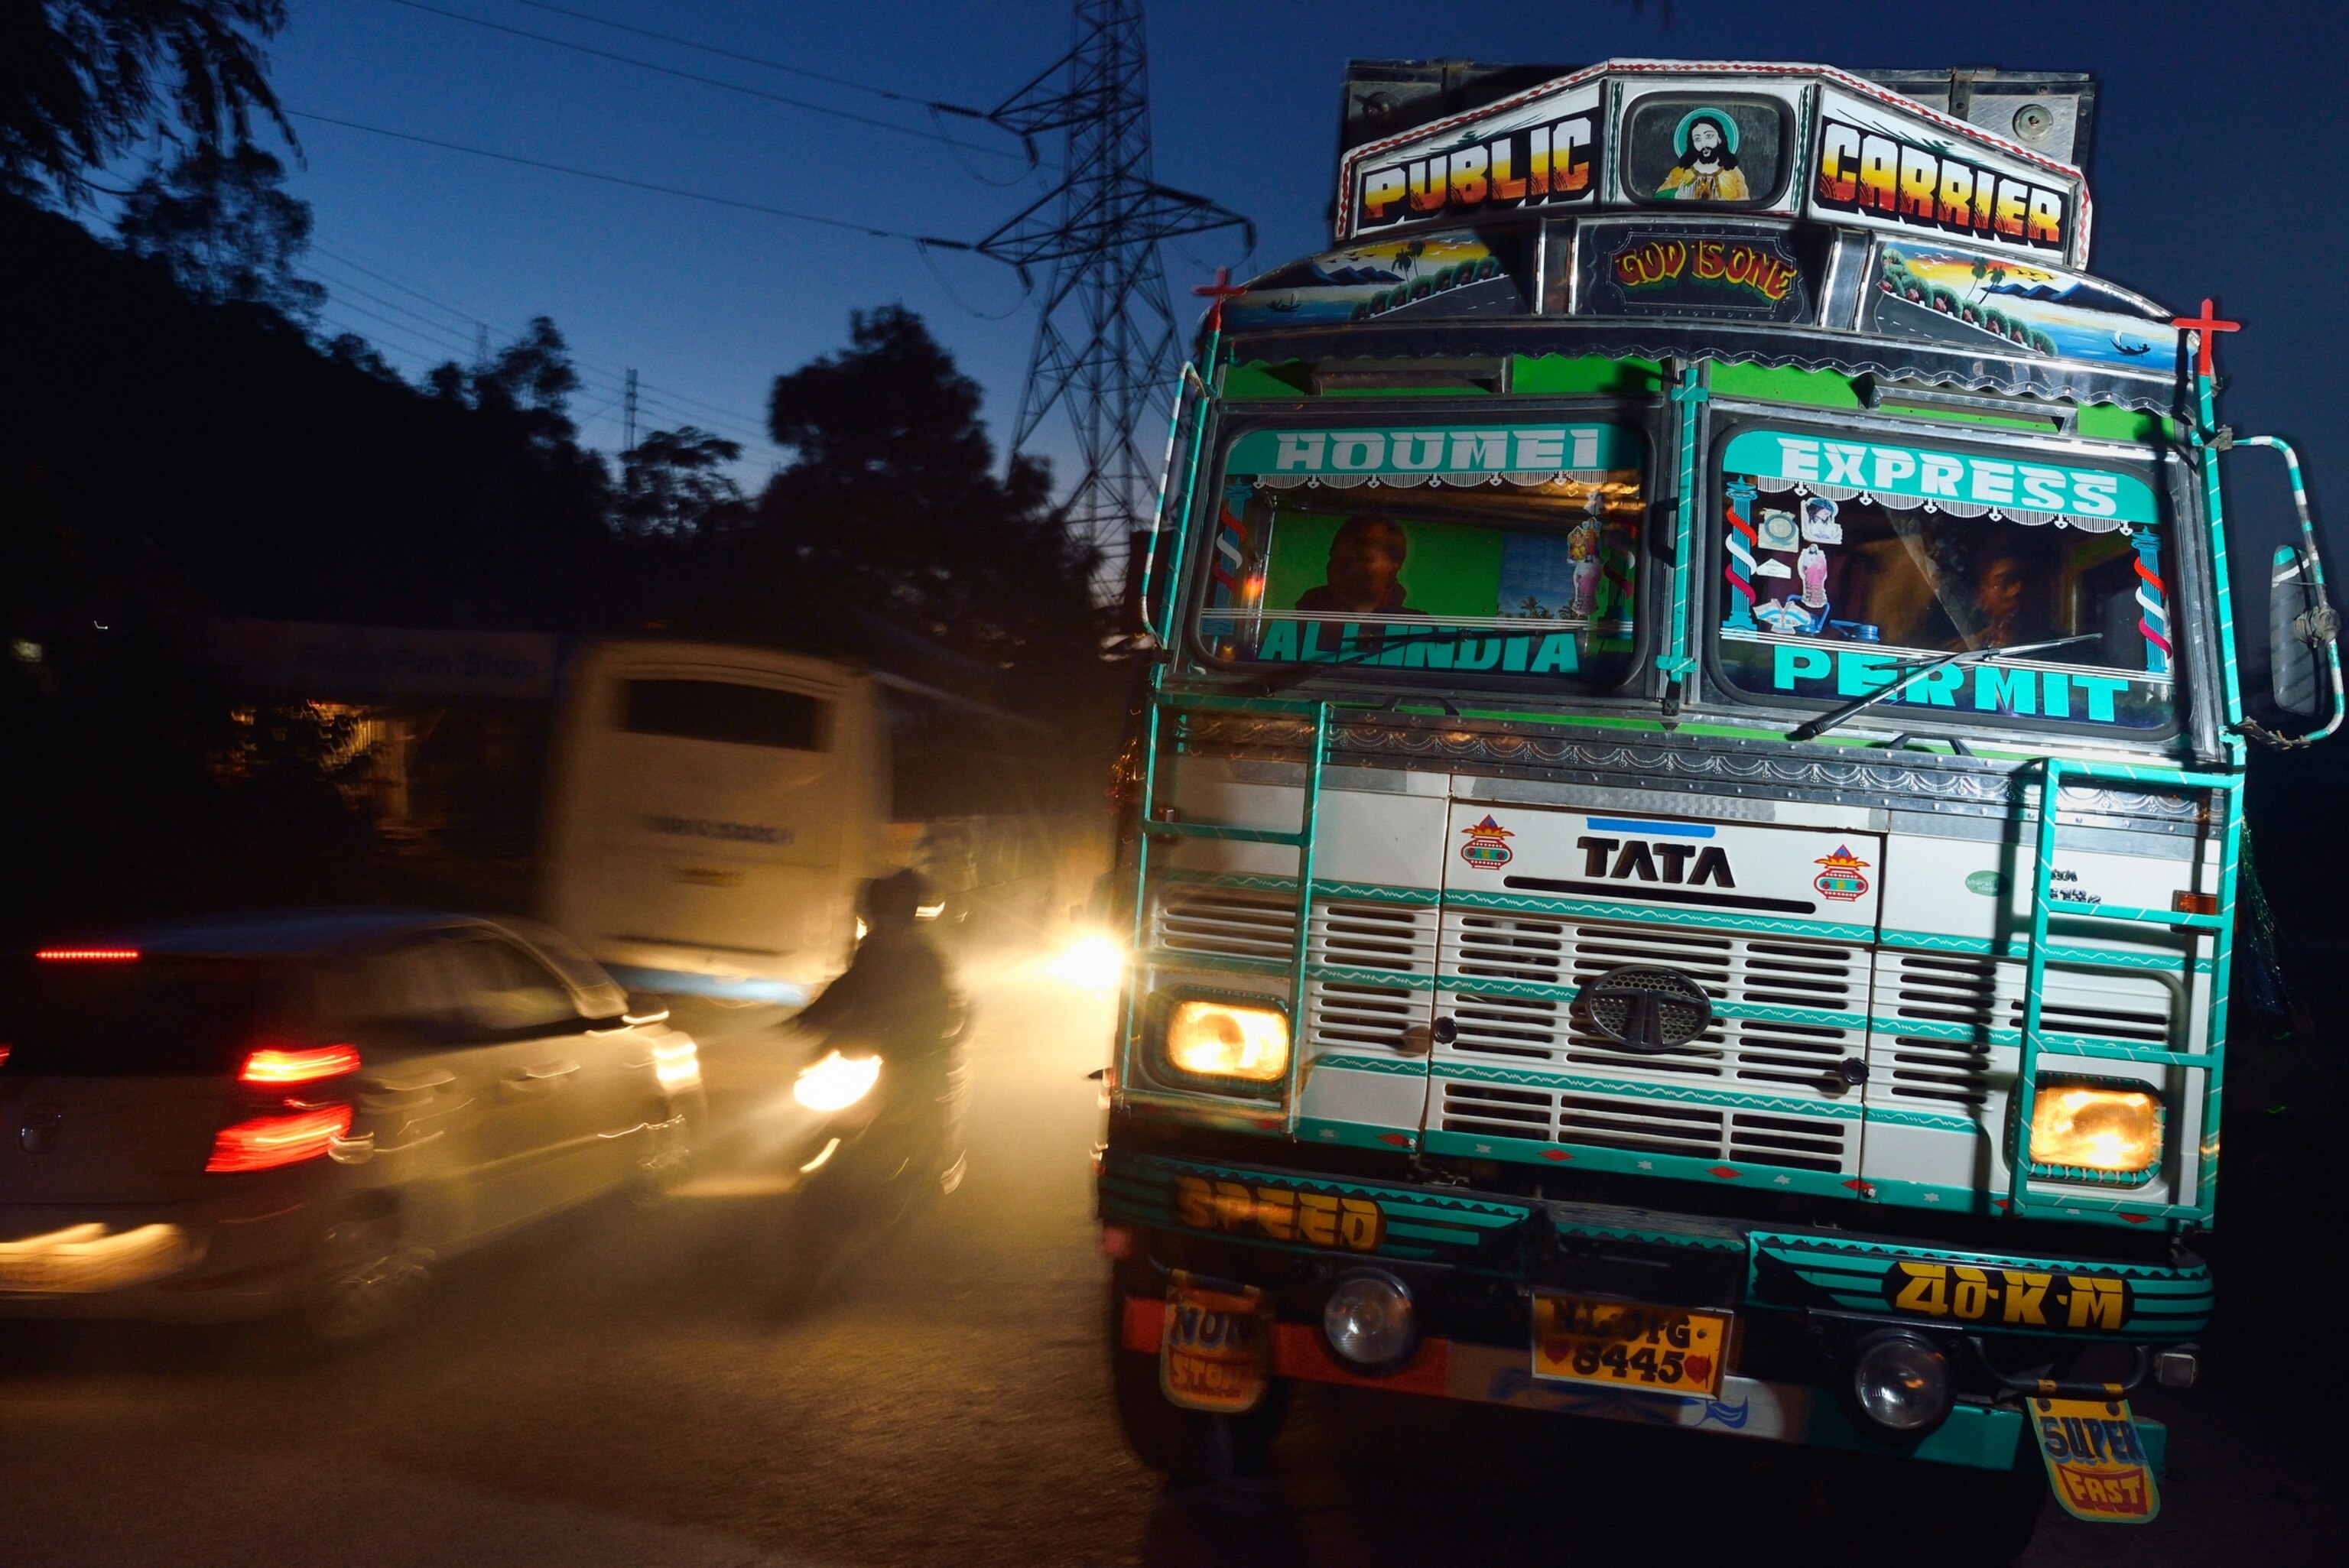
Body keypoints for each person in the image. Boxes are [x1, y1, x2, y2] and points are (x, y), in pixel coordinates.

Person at [1295, 515, 1415, 615]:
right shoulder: (1305, 616)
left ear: (1392, 570)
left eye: (1362, 558)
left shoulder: (1417, 627)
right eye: (1336, 556)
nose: (1344, 568)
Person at [1657, 112, 1750, 201]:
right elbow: (1659, 198)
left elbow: (1745, 203)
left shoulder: (1734, 175)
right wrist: (1675, 196)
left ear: (1719, 139)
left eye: (1709, 136)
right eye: (1697, 139)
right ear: (1692, 144)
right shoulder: (1680, 173)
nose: (1704, 144)